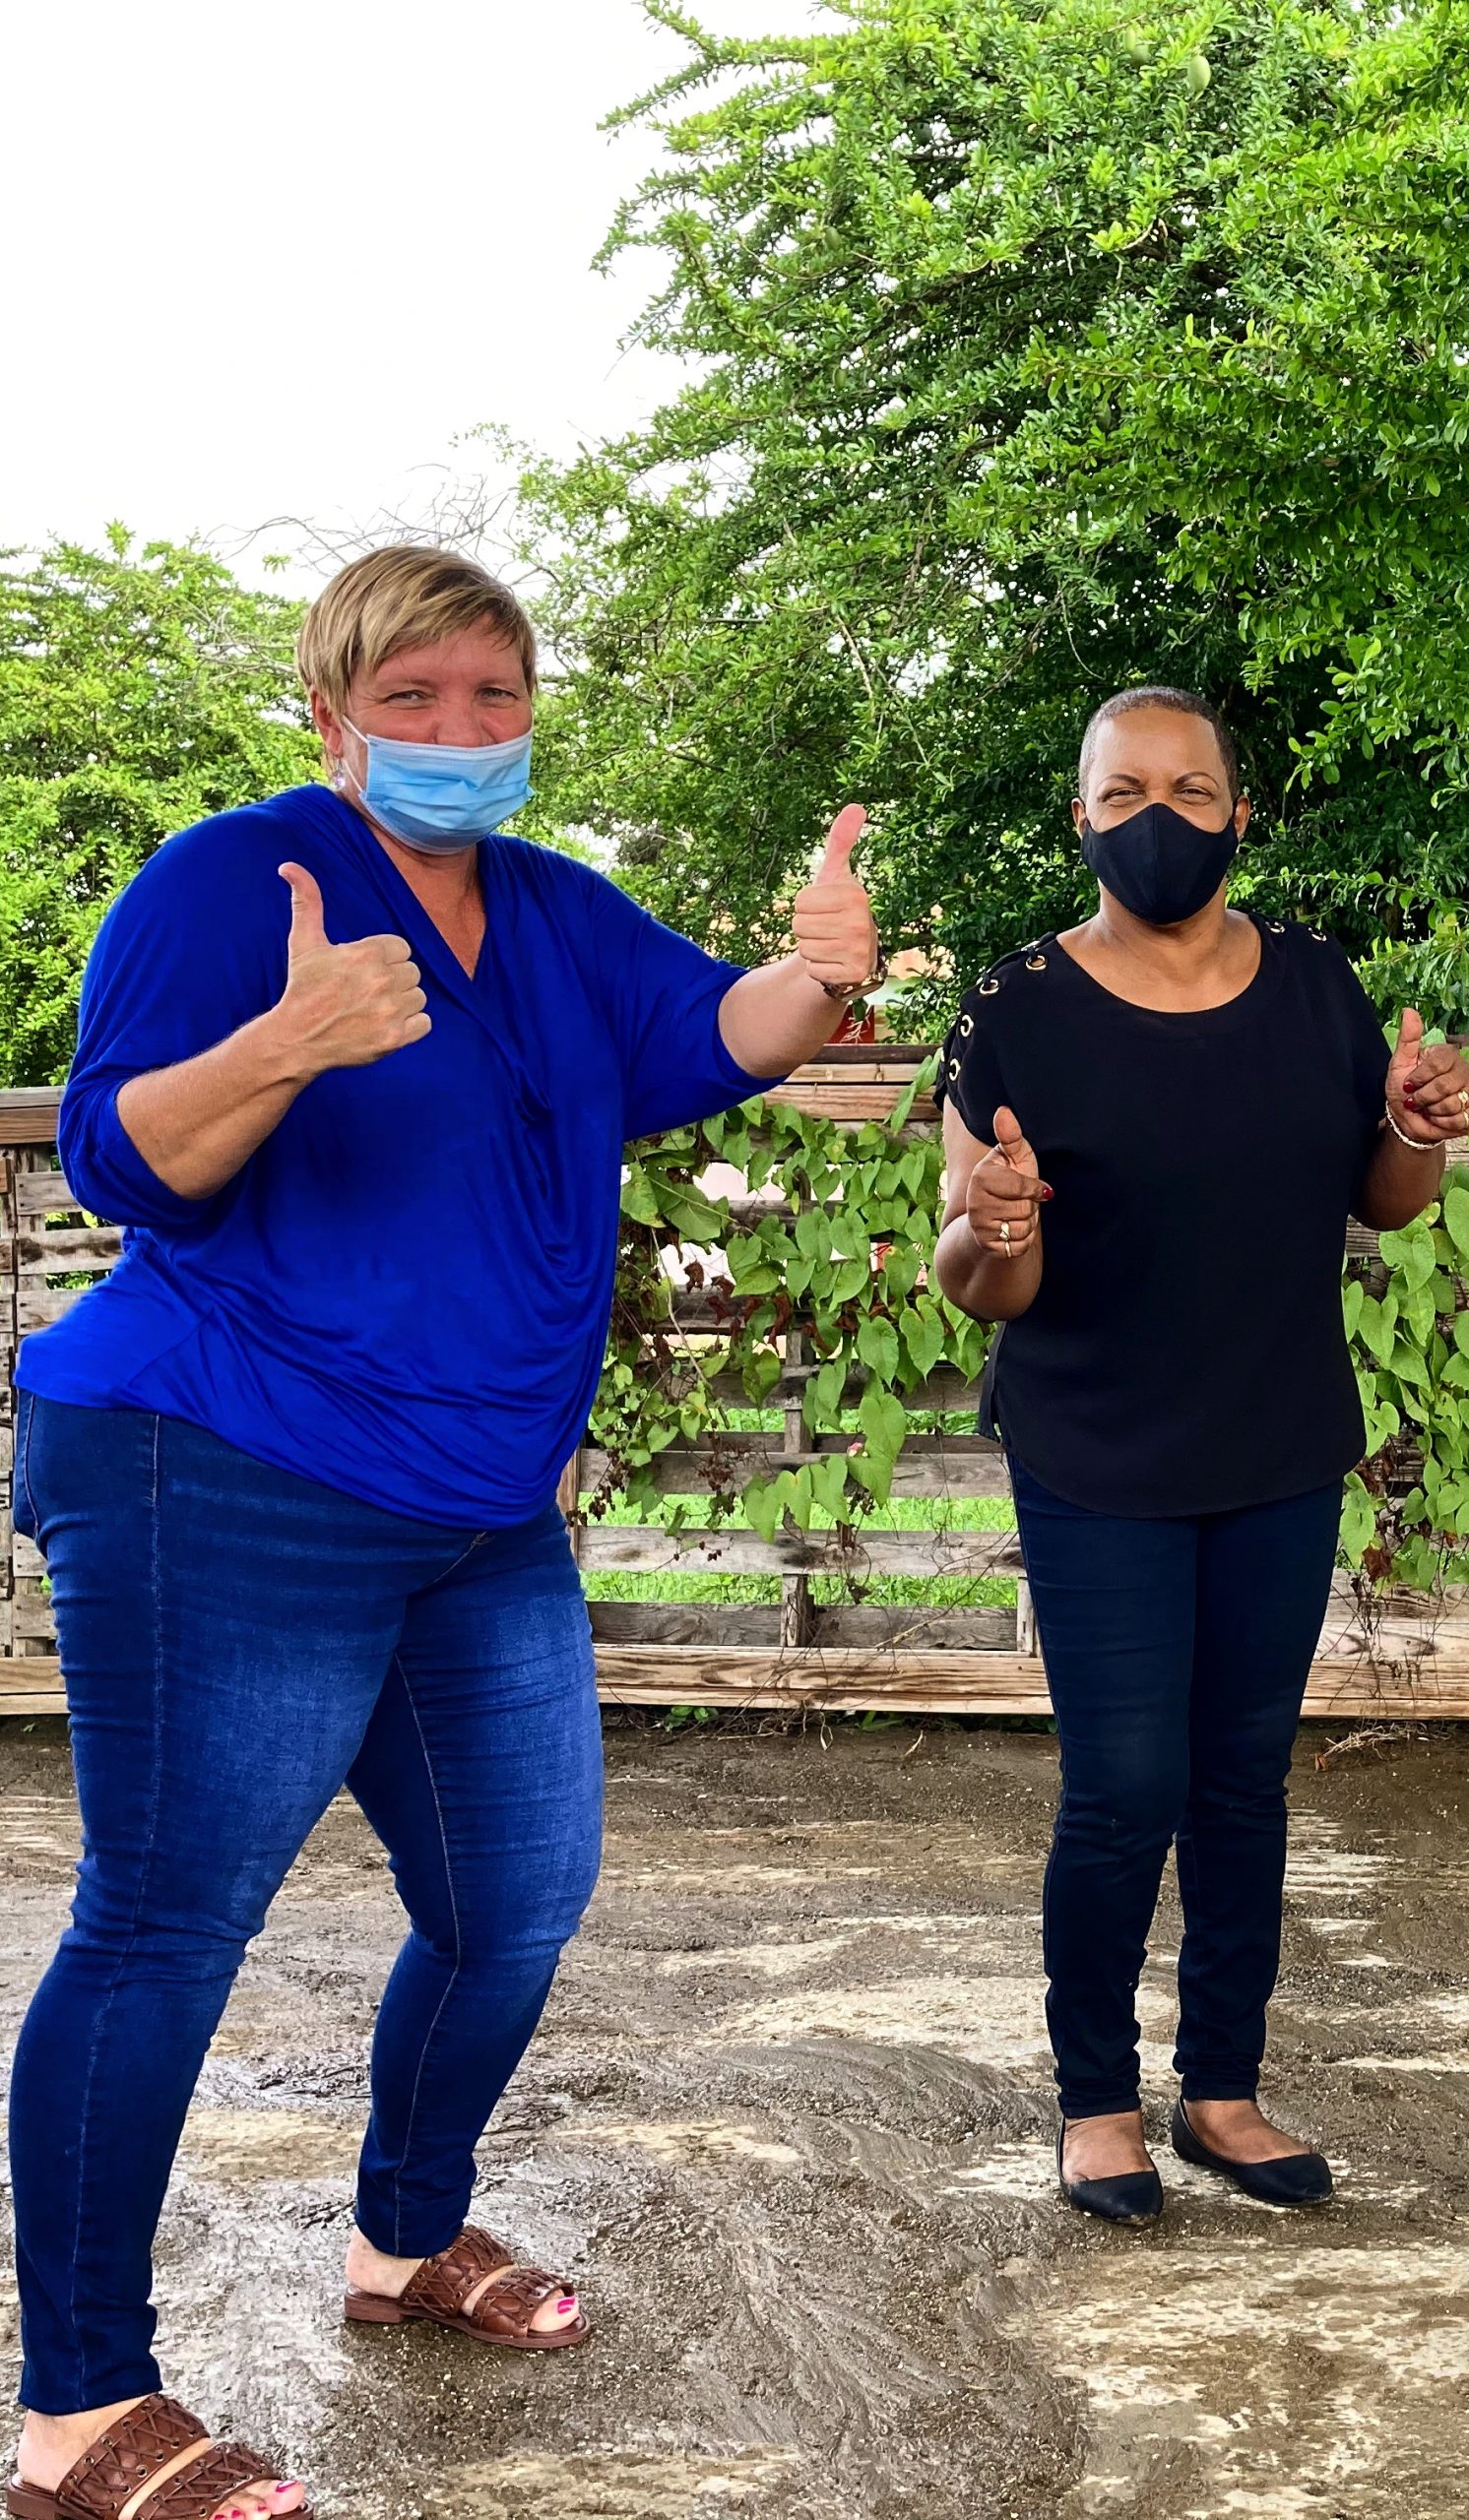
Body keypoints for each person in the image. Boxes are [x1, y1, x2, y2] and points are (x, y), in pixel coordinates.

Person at [5, 547, 878, 2520]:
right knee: (162, 1926)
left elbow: (711, 1033)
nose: (462, 731)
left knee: (512, 1900)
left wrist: (820, 972)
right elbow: (121, 1155)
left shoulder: (555, 911)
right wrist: (287, 1039)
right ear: (331, 715)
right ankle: (75, 2410)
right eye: (413, 697)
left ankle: (402, 2236)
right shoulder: (232, 881)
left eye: (496, 694)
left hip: (476, 1510)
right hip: (223, 1464)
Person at [931, 687, 1469, 2223]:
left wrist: (1420, 1128)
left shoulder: (1316, 986)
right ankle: (1096, 2100)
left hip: (1277, 1442)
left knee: (1241, 1781)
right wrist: (996, 1224)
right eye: (1124, 792)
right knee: (1123, 1788)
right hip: (1096, 1449)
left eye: (1189, 788)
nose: (1157, 818)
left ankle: (1222, 2091)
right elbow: (975, 1283)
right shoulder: (1017, 1007)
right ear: (1082, 816)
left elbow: (1383, 1200)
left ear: (1241, 812)